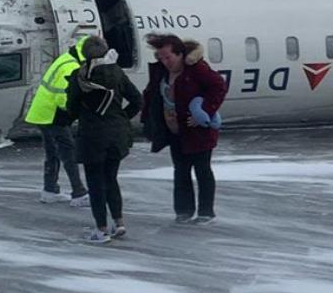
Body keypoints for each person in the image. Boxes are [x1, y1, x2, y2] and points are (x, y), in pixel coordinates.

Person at [142, 33, 227, 224]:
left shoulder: (197, 70)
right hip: (174, 131)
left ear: (180, 54)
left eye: (168, 57)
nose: (165, 62)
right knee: (180, 170)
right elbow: (150, 94)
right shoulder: (161, 72)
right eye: (161, 58)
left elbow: (219, 86)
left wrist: (203, 112)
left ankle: (206, 212)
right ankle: (184, 211)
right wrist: (148, 118)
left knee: (202, 170)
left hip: (198, 131)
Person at [65, 36, 141, 244]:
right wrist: (122, 117)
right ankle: (119, 222)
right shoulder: (117, 72)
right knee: (111, 179)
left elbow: (71, 107)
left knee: (95, 182)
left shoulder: (79, 76)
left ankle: (101, 229)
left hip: (92, 135)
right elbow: (137, 100)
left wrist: (75, 115)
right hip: (117, 135)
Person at [24, 37, 89, 206]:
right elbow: (63, 97)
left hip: (43, 112)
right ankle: (79, 192)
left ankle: (50, 190)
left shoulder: (65, 58)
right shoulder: (72, 67)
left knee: (52, 152)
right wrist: (77, 112)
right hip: (53, 115)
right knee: (68, 151)